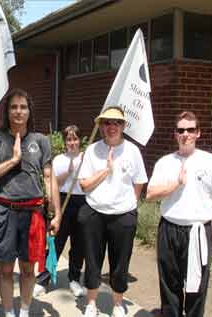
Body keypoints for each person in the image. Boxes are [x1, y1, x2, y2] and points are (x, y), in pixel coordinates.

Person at [0, 88, 61, 317]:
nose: (18, 111)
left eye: (23, 107)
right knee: (5, 269)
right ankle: (8, 312)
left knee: (28, 268)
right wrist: (13, 160)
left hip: (33, 213)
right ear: (7, 110)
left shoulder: (40, 140)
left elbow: (49, 177)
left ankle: (24, 311)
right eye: (14, 106)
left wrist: (57, 213)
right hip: (4, 211)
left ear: (29, 111)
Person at [146, 111, 212, 317]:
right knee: (169, 284)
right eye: (181, 130)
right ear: (175, 134)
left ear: (198, 133)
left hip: (199, 231)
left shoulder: (210, 162)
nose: (186, 134)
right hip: (169, 228)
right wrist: (176, 183)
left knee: (197, 287)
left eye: (190, 129)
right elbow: (150, 194)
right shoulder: (165, 162)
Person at [78, 107, 148, 317]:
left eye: (116, 123)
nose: (112, 127)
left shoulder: (132, 151)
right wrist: (106, 170)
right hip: (94, 213)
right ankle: (91, 303)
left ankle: (118, 304)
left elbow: (139, 182)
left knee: (120, 262)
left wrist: (130, 204)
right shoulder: (92, 151)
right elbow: (84, 185)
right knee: (92, 260)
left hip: (123, 216)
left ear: (123, 126)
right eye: (107, 122)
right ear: (101, 126)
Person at [33, 125, 86, 297]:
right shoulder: (59, 160)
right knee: (55, 243)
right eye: (69, 139)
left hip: (83, 202)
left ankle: (74, 279)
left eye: (75, 139)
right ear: (65, 142)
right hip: (62, 201)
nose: (72, 142)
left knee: (79, 245)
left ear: (80, 140)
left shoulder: (87, 158)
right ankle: (43, 280)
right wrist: (69, 172)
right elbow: (54, 184)